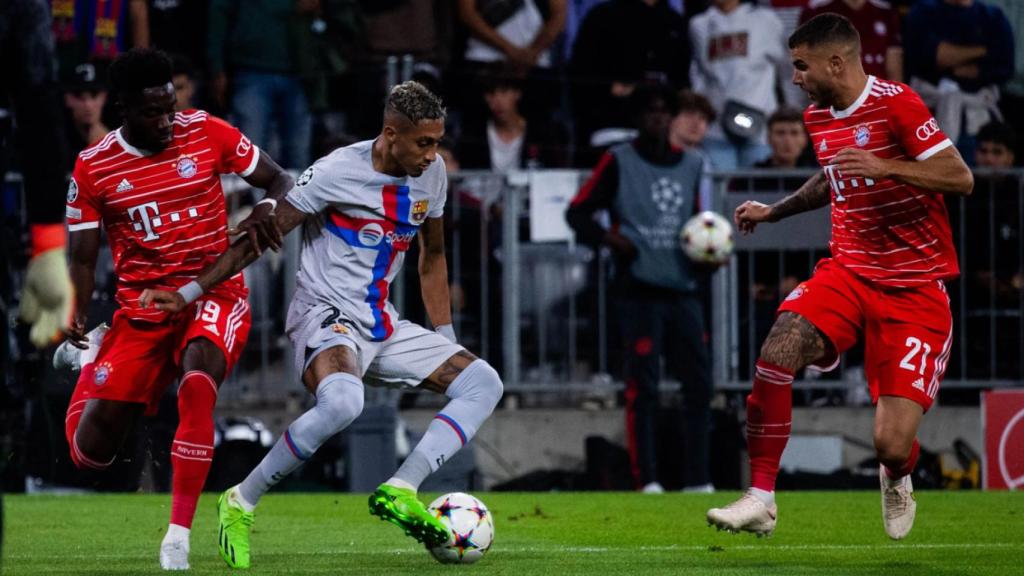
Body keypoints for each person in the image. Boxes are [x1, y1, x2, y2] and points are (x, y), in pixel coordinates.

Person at [140, 81, 504, 569]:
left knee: (483, 382)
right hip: (324, 317)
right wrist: (188, 293)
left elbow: (432, 257)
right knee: (345, 402)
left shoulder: (432, 174)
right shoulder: (335, 172)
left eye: (437, 142)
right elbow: (256, 241)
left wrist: (445, 341)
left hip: (382, 324)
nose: (432, 153)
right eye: (424, 142)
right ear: (391, 134)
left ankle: (400, 489)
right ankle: (241, 500)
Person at [706, 14, 974, 540]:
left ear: (837, 62)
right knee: (777, 350)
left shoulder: (898, 103)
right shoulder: (818, 116)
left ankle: (898, 473)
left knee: (891, 445)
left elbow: (959, 176)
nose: (796, 77)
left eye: (802, 66)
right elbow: (833, 174)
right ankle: (761, 495)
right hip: (849, 270)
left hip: (915, 287)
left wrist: (887, 166)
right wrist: (775, 211)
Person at [57, 48, 293, 570]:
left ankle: (178, 537)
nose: (168, 121)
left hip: (214, 291)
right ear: (122, 107)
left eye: (171, 107)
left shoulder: (206, 130)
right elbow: (83, 253)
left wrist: (267, 206)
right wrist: (75, 309)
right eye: (152, 113)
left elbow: (280, 179)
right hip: (141, 310)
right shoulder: (94, 168)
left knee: (198, 377)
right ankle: (92, 362)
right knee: (89, 452)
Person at [566, 84, 714, 494]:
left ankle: (698, 479)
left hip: (684, 287)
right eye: (650, 111)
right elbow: (577, 212)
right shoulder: (618, 161)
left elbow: (703, 222)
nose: (658, 119)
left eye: (664, 111)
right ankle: (646, 479)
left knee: (699, 385)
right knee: (642, 387)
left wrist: (711, 253)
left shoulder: (694, 164)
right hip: (638, 290)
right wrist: (610, 240)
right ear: (637, 119)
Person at [689, 0, 791, 169]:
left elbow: (787, 71)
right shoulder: (698, 25)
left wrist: (791, 109)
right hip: (716, 129)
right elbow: (698, 76)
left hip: (760, 126)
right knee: (720, 192)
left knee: (758, 192)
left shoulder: (767, 21)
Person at [457, 72, 569, 171]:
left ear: (517, 93)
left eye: (504, 91)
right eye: (491, 93)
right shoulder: (473, 134)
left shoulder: (541, 133)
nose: (498, 101)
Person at [799, 0, 903, 82]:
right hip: (833, 99)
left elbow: (894, 65)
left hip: (878, 96)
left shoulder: (885, 11)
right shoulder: (816, 10)